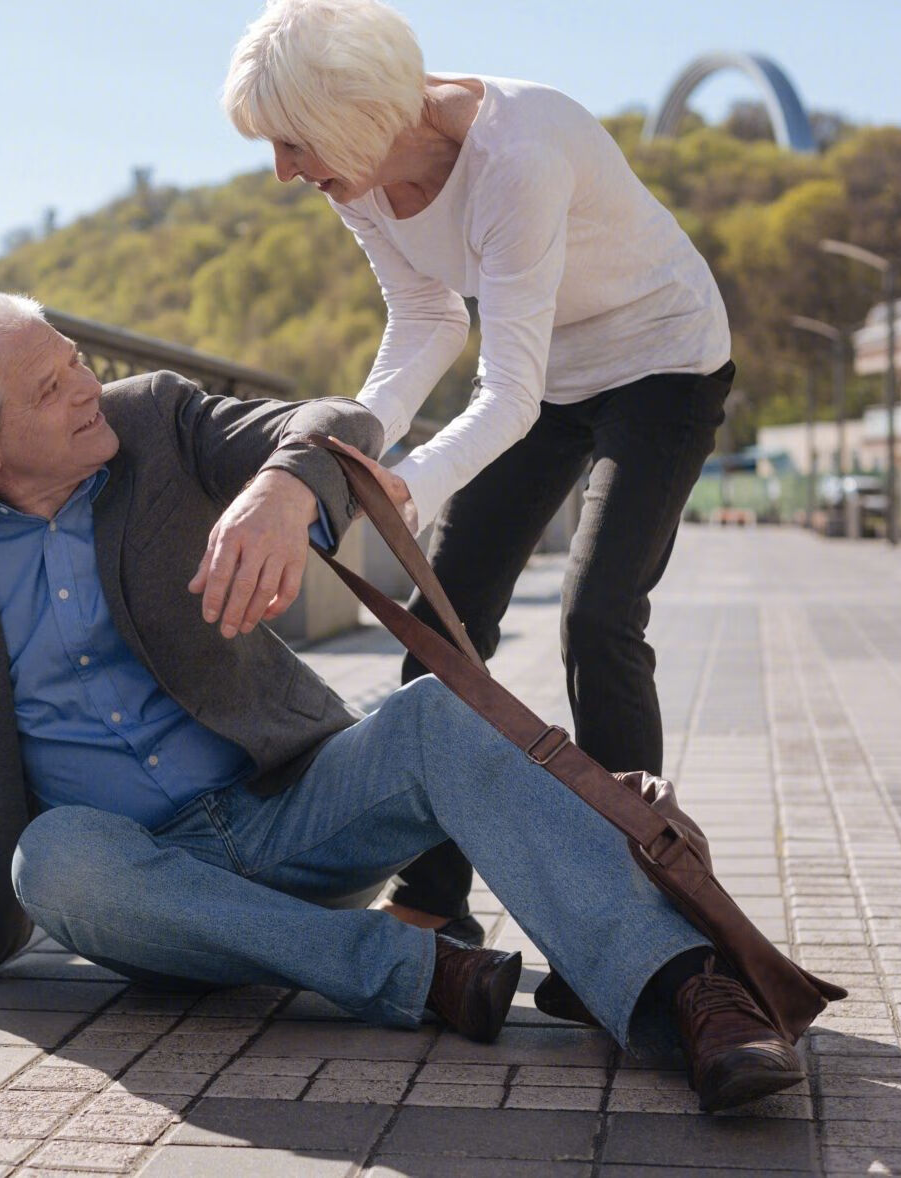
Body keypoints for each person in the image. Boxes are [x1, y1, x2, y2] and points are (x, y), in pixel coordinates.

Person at [0, 291, 803, 1112]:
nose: (85, 388)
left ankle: (683, 992)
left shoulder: (154, 419)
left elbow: (337, 421)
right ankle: (420, 974)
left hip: (294, 805)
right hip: (141, 882)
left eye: (73, 360)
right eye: (49, 390)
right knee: (50, 858)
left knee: (431, 717)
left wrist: (283, 488)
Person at [223, 0, 736, 952]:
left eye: (294, 143)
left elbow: (509, 393)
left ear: (358, 112)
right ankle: (431, 896)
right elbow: (427, 321)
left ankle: (644, 915)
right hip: (547, 373)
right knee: (445, 621)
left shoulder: (518, 152)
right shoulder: (357, 174)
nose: (286, 171)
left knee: (598, 617)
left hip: (661, 360)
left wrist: (408, 484)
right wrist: (357, 447)